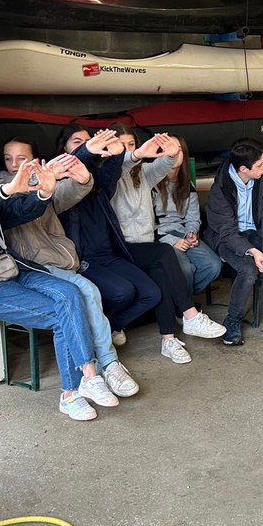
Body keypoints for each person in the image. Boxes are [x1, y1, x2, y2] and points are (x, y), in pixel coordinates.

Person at [0, 144, 113, 421]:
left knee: (70, 292)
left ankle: (88, 376)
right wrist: (7, 189)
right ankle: (71, 394)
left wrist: (44, 192)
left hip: (14, 270)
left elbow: (19, 211)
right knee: (62, 315)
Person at [0, 137, 140, 397]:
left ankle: (99, 368)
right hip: (33, 268)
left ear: (35, 159)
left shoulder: (45, 183)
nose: (14, 164)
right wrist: (44, 177)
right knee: (88, 291)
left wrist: (83, 180)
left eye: (21, 158)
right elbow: (13, 202)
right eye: (8, 158)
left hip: (60, 261)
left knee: (91, 294)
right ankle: (108, 363)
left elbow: (63, 196)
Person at [108, 122, 227, 362]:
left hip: (146, 245)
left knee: (164, 274)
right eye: (121, 146)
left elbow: (163, 166)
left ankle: (168, 340)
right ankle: (189, 313)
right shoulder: (109, 176)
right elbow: (121, 167)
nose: (127, 150)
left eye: (131, 144)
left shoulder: (143, 173)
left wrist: (171, 152)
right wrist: (137, 154)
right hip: (123, 246)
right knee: (166, 254)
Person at [57, 123, 163, 346]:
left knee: (152, 294)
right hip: (82, 259)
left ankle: (108, 326)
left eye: (89, 142)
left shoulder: (98, 181)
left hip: (109, 254)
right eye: (77, 142)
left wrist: (117, 152)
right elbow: (72, 175)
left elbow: (111, 173)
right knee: (123, 292)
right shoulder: (58, 183)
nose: (86, 146)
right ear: (64, 149)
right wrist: (87, 150)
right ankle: (98, 334)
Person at [203, 137, 263, 346]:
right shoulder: (220, 189)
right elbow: (226, 232)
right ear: (244, 169)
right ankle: (232, 320)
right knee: (248, 270)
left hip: (256, 233)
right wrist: (252, 251)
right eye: (259, 164)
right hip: (227, 238)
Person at [152, 134, 222, 296]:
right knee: (185, 269)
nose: (174, 153)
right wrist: (172, 241)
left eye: (179, 149)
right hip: (160, 236)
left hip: (182, 232)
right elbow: (147, 224)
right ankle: (184, 303)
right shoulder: (151, 182)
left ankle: (181, 297)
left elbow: (193, 217)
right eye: (169, 148)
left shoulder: (187, 185)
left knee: (213, 266)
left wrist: (191, 233)